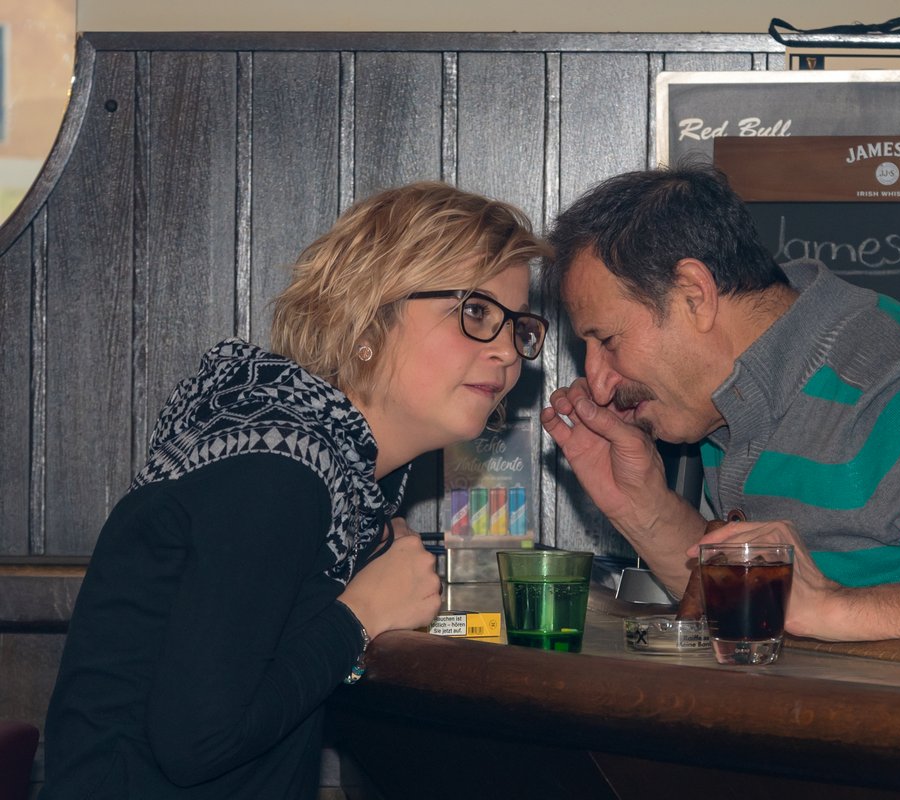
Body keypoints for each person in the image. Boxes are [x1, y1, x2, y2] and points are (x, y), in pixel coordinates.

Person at [41, 183, 551, 798]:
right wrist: (363, 616)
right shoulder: (276, 472)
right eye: (476, 312)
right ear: (369, 315)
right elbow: (198, 744)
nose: (507, 352)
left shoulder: (326, 467)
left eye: (520, 328)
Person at [540, 163, 900, 658]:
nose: (597, 382)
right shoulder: (736, 403)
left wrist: (834, 607)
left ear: (695, 294)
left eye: (607, 341)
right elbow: (763, 612)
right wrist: (639, 505)